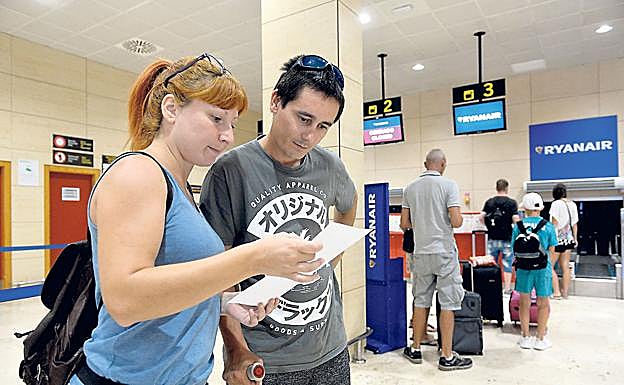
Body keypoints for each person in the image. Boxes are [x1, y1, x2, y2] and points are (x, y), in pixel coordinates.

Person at [68, 53, 326, 385]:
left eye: (232, 123)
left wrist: (224, 303)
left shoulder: (182, 187)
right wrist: (252, 258)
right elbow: (125, 300)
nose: (228, 136)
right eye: (216, 118)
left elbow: (168, 283)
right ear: (171, 109)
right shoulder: (138, 173)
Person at [200, 54, 357, 385]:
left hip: (330, 347)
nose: (309, 136)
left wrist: (332, 255)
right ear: (275, 102)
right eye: (303, 118)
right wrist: (235, 349)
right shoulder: (231, 171)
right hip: (266, 356)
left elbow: (348, 204)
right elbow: (219, 270)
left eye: (323, 127)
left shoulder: (331, 167)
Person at [400, 149, 472, 371]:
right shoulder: (449, 185)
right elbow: (457, 221)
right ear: (443, 164)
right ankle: (447, 356)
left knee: (420, 300)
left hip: (420, 253)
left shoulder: (410, 188)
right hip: (443, 252)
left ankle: (415, 348)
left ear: (425, 164)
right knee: (448, 303)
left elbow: (404, 224)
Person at [513, 192, 558, 350]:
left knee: (524, 302)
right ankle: (540, 339)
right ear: (540, 208)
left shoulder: (518, 226)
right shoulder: (548, 226)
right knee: (543, 303)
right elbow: (553, 248)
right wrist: (548, 265)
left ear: (525, 208)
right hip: (542, 269)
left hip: (524, 269)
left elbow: (514, 249)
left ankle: (525, 337)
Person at [480, 178, 520, 294]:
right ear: (507, 188)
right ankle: (507, 288)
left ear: (496, 188)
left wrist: (488, 226)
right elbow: (515, 219)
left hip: (492, 237)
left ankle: (492, 287)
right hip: (507, 238)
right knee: (507, 264)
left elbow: (481, 217)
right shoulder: (511, 203)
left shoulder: (489, 202)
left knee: (491, 263)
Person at [549, 183, 578, 299]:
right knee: (565, 266)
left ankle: (556, 293)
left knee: (549, 266)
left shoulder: (556, 204)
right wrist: (575, 238)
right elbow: (575, 224)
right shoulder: (573, 204)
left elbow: (554, 223)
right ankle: (565, 293)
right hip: (569, 239)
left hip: (557, 240)